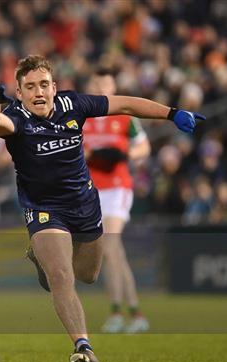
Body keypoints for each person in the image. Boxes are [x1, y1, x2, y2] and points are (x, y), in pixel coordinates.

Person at [0, 55, 205, 362]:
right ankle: (83, 347)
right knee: (62, 278)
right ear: (18, 93)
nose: (38, 92)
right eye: (29, 87)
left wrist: (172, 114)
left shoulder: (73, 104)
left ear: (54, 87)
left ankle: (41, 262)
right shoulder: (16, 116)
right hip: (44, 208)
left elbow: (126, 105)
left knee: (87, 275)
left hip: (86, 204)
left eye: (44, 84)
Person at [82, 70, 151, 333]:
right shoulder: (83, 116)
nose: (101, 87)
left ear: (113, 86)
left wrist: (123, 155)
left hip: (117, 187)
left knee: (109, 246)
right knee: (116, 253)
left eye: (106, 83)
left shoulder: (123, 117)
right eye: (97, 82)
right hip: (91, 190)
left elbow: (144, 147)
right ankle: (135, 312)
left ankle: (115, 312)